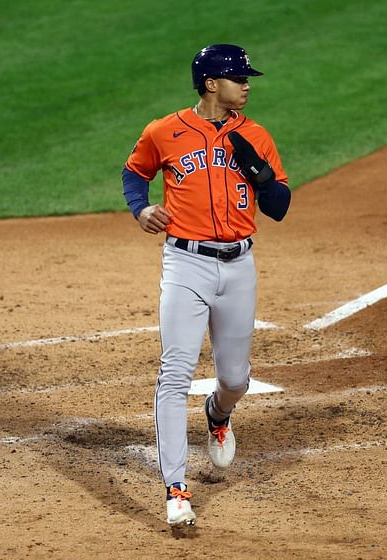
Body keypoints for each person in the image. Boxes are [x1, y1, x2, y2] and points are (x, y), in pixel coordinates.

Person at [122, 44, 291, 527]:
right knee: (174, 374)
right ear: (211, 83)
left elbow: (279, 206)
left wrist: (259, 175)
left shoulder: (255, 135)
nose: (248, 84)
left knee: (236, 379)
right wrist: (141, 208)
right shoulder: (165, 131)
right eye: (239, 78)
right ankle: (176, 488)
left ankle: (218, 414)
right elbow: (134, 172)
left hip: (239, 266)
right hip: (185, 264)